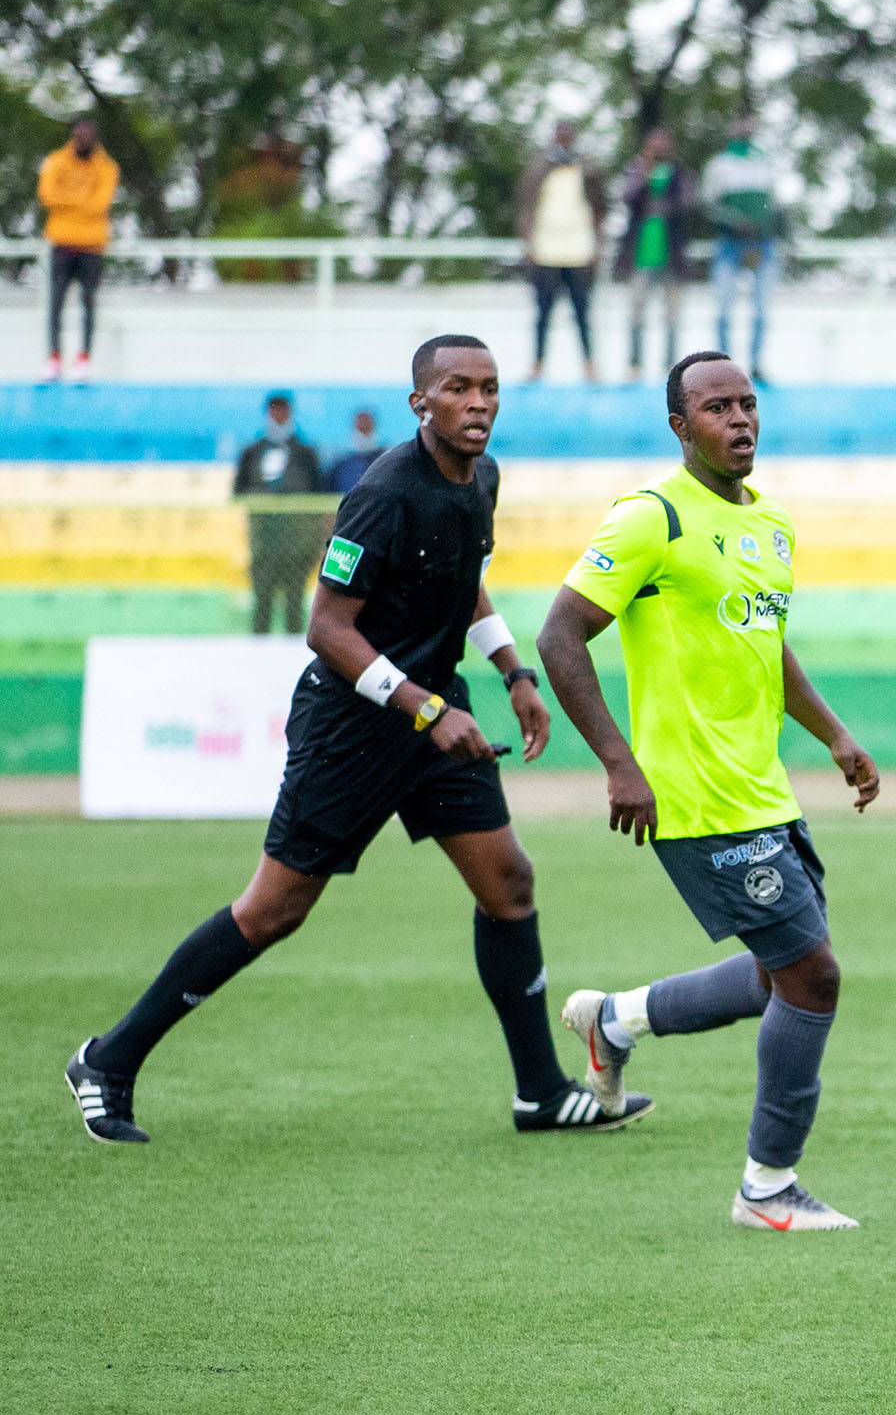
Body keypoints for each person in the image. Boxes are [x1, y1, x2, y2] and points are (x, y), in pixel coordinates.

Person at [66, 336, 640, 1145]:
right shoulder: (380, 492)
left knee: (508, 882)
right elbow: (326, 628)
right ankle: (108, 1059)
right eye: (458, 389)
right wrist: (424, 708)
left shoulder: (484, 477)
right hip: (355, 724)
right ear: (420, 403)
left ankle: (540, 1091)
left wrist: (514, 670)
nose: (478, 403)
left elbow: (460, 578)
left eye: (490, 388)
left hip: (434, 716)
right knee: (273, 911)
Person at [537, 352, 880, 1233]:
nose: (739, 420)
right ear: (681, 427)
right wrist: (619, 761)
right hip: (691, 799)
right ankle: (767, 1186)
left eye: (748, 404)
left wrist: (834, 735)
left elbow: (768, 647)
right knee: (814, 976)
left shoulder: (770, 526)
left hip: (763, 790)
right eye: (716, 407)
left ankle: (615, 1021)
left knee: (778, 975)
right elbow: (560, 635)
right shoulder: (650, 518)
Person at [517, 121, 606, 382]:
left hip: (579, 250)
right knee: (543, 312)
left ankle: (590, 365)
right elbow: (525, 205)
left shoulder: (586, 167)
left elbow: (600, 206)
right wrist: (529, 243)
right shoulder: (539, 167)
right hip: (546, 250)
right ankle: (537, 364)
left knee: (582, 312)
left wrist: (597, 244)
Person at [234, 392, 328, 634]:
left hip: (297, 542)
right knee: (262, 601)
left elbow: (319, 493)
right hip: (264, 541)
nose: (279, 415)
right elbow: (238, 490)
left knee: (295, 603)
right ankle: (257, 652)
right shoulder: (252, 452)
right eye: (275, 409)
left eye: (283, 410)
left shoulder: (305, 452)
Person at [38, 116, 118, 383]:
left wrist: (67, 202)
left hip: (92, 246)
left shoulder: (107, 168)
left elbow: (100, 205)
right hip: (62, 244)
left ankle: (84, 358)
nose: (82, 139)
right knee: (56, 302)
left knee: (89, 302)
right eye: (78, 134)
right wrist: (82, 201)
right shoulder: (55, 161)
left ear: (94, 137)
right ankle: (54, 357)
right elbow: (47, 196)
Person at [702, 119, 783, 382]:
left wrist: (766, 230)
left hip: (763, 244)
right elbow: (708, 204)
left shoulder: (765, 163)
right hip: (729, 243)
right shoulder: (719, 164)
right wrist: (732, 221)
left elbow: (775, 205)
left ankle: (756, 364)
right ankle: (724, 365)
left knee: (761, 308)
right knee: (724, 306)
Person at [617, 129, 696, 381]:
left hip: (672, 256)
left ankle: (670, 366)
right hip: (641, 255)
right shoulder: (635, 171)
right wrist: (646, 174)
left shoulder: (681, 175)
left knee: (672, 314)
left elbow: (686, 204)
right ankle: (635, 364)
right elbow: (629, 198)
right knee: (637, 312)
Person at [327, 407, 382, 494]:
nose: (363, 432)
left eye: (367, 425)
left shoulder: (385, 461)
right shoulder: (341, 465)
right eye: (360, 426)